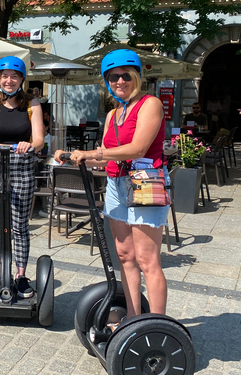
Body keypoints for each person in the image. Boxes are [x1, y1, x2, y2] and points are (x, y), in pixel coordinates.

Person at [54, 48, 169, 319]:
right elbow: (105, 159)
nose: (120, 81)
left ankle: (157, 323)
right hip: (117, 184)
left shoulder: (150, 104)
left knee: (147, 259)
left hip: (145, 182)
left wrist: (92, 153)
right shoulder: (113, 114)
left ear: (136, 76)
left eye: (125, 75)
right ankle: (132, 317)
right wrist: (72, 157)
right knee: (125, 255)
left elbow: (138, 149)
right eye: (113, 77)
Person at [0, 56, 45, 299]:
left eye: (14, 76)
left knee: (19, 225)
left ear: (21, 80)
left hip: (22, 166)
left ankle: (21, 275)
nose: (9, 80)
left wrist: (29, 144)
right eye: (4, 76)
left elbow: (39, 140)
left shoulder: (32, 104)